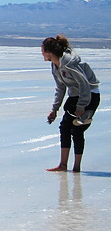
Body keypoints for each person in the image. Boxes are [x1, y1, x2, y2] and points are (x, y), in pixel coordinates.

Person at [42, 35, 101, 173]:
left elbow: (84, 84)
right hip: (76, 94)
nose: (41, 54)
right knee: (64, 128)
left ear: (49, 52)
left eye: (42, 50)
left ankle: (76, 167)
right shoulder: (55, 65)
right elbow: (60, 87)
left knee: (76, 130)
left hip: (90, 94)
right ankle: (63, 165)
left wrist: (82, 106)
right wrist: (54, 109)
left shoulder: (68, 63)